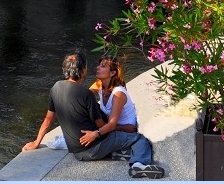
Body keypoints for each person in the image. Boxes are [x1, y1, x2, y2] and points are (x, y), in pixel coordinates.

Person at [22, 51, 164, 179]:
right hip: (94, 147)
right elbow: (103, 126)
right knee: (139, 139)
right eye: (93, 66)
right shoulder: (88, 93)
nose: (96, 68)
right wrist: (99, 133)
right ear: (83, 70)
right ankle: (138, 166)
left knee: (92, 114)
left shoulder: (55, 88)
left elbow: (48, 120)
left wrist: (36, 142)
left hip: (76, 152)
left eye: (102, 66)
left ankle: (118, 152)